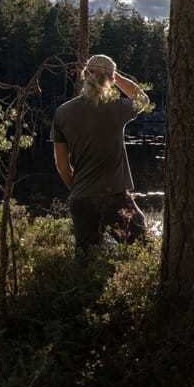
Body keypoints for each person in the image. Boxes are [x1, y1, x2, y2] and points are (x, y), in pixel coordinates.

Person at [51, 54, 150, 250]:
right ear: (111, 80)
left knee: (87, 259)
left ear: (85, 75)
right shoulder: (116, 107)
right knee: (141, 248)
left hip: (81, 199)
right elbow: (143, 99)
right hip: (115, 198)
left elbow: (62, 166)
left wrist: (78, 189)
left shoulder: (62, 112)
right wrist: (118, 77)